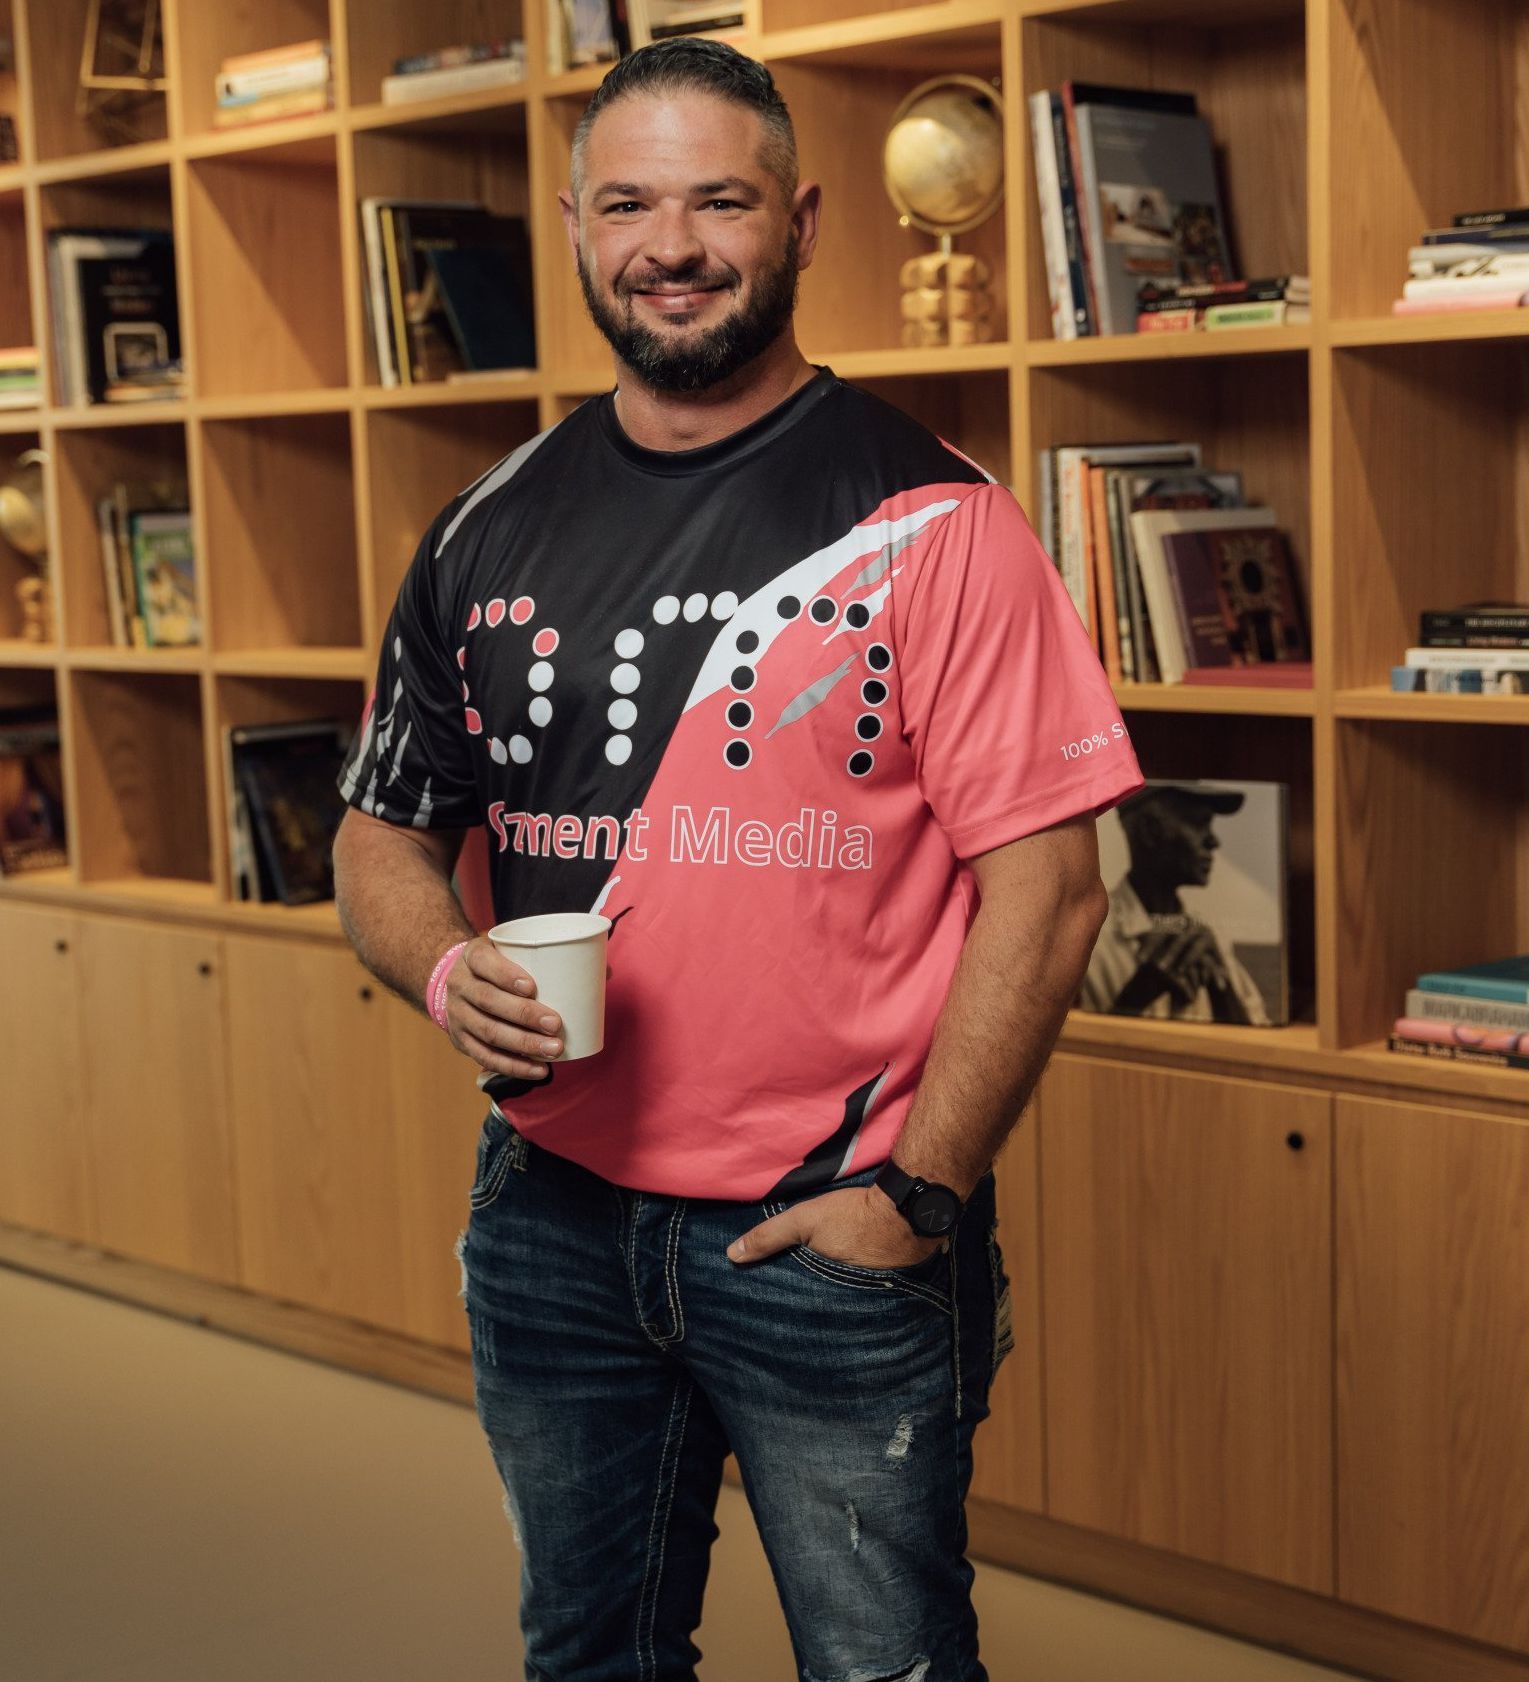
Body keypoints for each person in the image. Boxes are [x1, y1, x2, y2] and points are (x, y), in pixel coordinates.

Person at [332, 37, 1142, 1682]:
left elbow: (1051, 893)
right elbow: (380, 825)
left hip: (825, 1224)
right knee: (593, 1656)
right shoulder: (482, 525)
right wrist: (436, 959)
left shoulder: (935, 515)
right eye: (628, 201)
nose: (672, 243)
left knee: (885, 1663)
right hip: (550, 1212)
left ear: (804, 219)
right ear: (571, 221)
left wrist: (916, 1192)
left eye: (720, 199)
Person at [1079, 783, 1270, 1025]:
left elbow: (1257, 1030)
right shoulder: (1094, 941)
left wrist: (1219, 984)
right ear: (1150, 830)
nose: (1213, 841)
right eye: (1199, 823)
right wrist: (1140, 992)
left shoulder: (1209, 938)